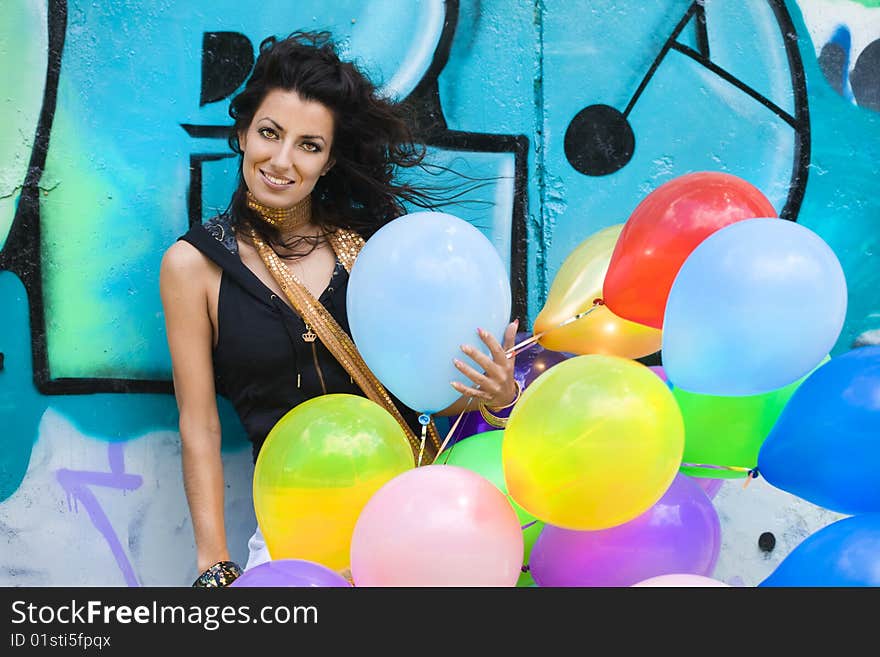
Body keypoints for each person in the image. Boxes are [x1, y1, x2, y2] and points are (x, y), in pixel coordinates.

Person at [159, 31, 521, 587]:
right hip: (294, 541)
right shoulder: (194, 266)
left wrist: (495, 395)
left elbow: (425, 401)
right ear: (241, 133)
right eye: (269, 134)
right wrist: (214, 563)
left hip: (418, 531)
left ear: (328, 162)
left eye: (309, 145)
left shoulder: (376, 253)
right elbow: (200, 425)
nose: (281, 161)